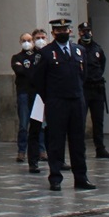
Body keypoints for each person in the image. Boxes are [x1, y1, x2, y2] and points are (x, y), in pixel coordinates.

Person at [31, 18, 96, 192]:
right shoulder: (45, 53)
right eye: (58, 31)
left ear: (70, 31)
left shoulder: (79, 51)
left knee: (78, 142)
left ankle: (81, 177)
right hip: (56, 101)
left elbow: (84, 76)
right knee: (56, 141)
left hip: (76, 101)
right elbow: (38, 79)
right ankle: (55, 178)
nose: (62, 33)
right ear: (53, 33)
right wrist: (49, 98)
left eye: (65, 30)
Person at [77, 21, 109, 160]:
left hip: (97, 88)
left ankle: (100, 148)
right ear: (79, 32)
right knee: (80, 120)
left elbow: (102, 64)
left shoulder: (97, 48)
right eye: (83, 31)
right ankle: (81, 148)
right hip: (84, 88)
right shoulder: (77, 48)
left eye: (88, 30)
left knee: (98, 120)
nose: (86, 33)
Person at [25, 28, 49, 173]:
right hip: (36, 96)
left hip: (51, 96)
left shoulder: (50, 53)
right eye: (38, 37)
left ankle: (57, 159)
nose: (41, 40)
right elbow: (28, 75)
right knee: (34, 130)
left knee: (53, 131)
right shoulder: (29, 56)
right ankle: (33, 161)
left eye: (43, 37)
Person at [11, 31, 36, 163]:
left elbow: (38, 71)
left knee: (39, 124)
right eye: (24, 40)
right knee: (23, 124)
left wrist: (29, 71)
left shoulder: (38, 56)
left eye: (29, 40)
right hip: (23, 92)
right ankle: (21, 151)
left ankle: (41, 150)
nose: (27, 43)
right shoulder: (16, 57)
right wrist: (31, 70)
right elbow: (19, 71)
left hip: (36, 93)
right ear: (20, 42)